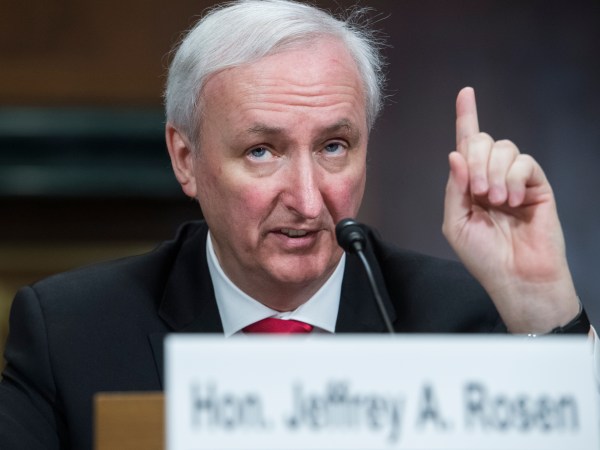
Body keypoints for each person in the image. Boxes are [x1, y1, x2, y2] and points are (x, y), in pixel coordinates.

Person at [0, 1, 595, 449]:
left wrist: (543, 308)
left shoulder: (466, 319)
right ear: (186, 159)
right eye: (262, 151)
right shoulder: (71, 334)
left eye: (335, 146)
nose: (309, 200)